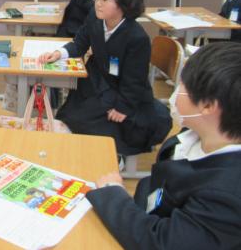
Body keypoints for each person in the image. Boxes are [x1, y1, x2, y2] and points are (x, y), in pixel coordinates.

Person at [86, 42, 241, 249]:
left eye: (182, 85)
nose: (176, 91)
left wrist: (113, 194)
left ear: (207, 106)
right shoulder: (197, 133)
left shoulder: (226, 195)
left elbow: (163, 242)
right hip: (146, 211)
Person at [38, 0, 171, 156]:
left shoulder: (136, 38)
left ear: (124, 5)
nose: (98, 3)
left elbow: (135, 80)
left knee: (94, 124)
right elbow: (80, 42)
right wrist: (59, 53)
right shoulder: (95, 17)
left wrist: (123, 107)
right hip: (97, 81)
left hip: (123, 93)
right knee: (70, 116)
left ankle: (112, 157)